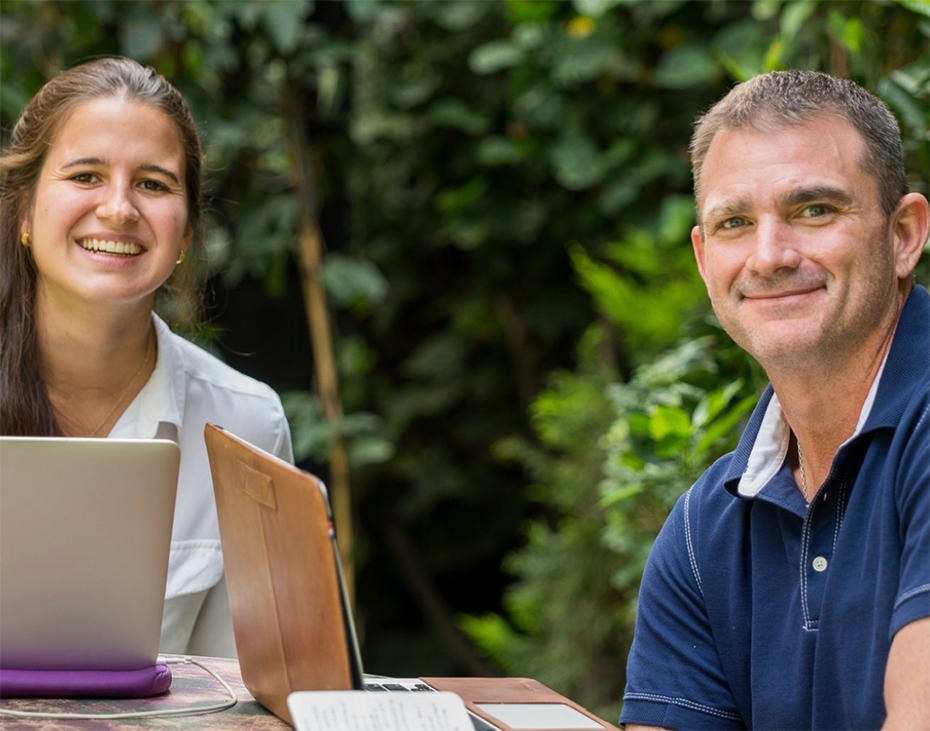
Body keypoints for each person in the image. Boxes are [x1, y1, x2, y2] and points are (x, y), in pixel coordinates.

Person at [620, 70, 930, 731]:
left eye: (813, 210)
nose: (768, 255)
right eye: (735, 222)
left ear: (903, 235)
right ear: (705, 260)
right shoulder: (706, 530)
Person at [0, 57, 293, 657]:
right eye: (85, 175)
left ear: (185, 235)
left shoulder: (245, 426)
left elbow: (247, 693)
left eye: (153, 184)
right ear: (25, 212)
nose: (118, 209)